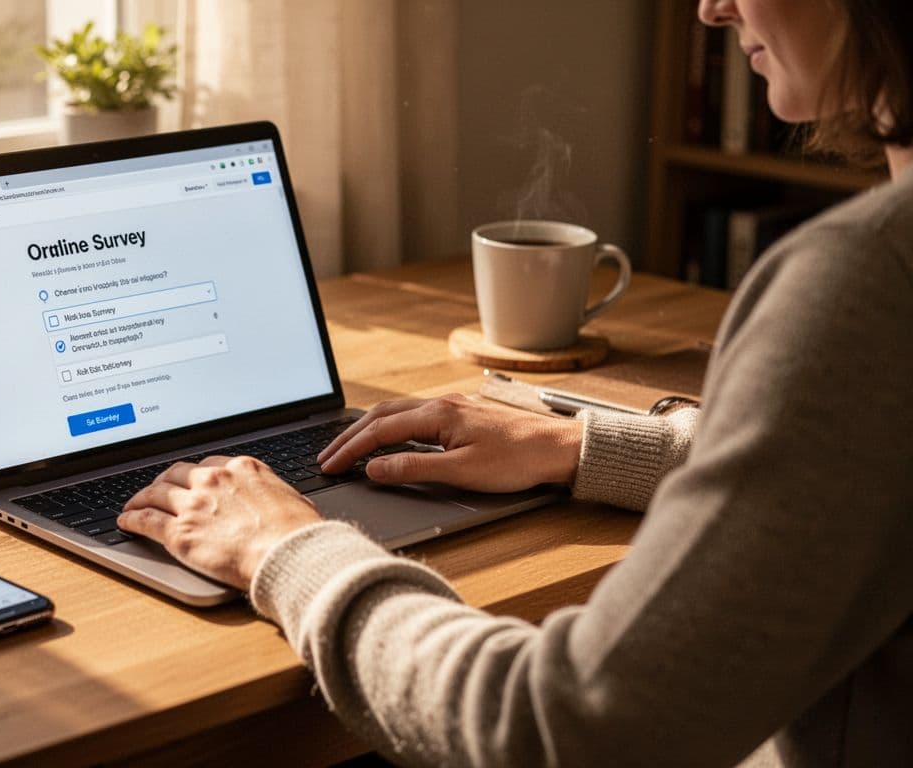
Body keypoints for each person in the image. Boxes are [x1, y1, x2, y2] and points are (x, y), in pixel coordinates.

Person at [117, 0, 912, 765]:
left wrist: (282, 548)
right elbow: (865, 461)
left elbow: (560, 729)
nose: (711, 8)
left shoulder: (865, 279)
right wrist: (577, 445)